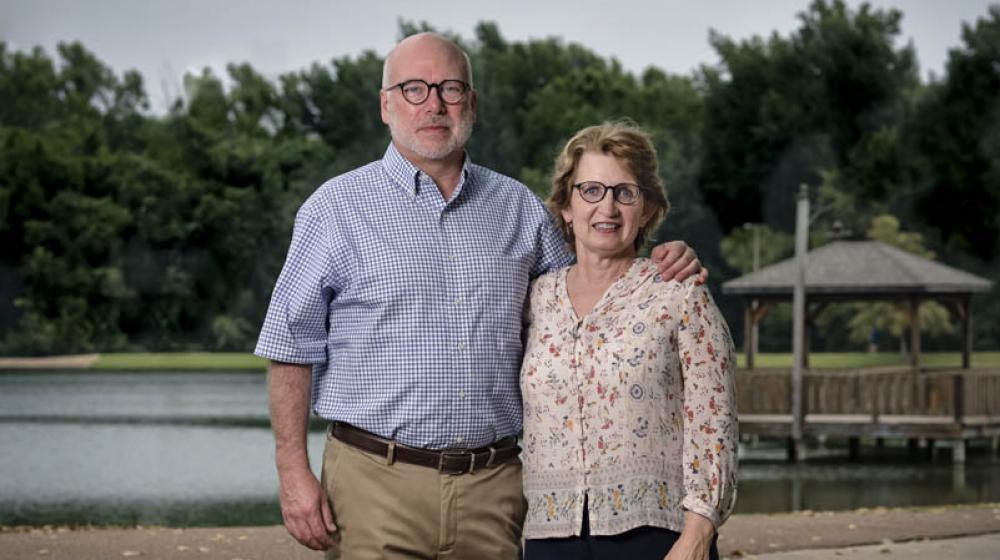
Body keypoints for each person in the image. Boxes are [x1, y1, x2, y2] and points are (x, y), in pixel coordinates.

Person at [255, 33, 704, 559]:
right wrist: (292, 472)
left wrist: (660, 259)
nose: (434, 104)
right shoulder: (334, 209)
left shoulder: (519, 208)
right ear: (385, 104)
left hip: (495, 489)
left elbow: (590, 296)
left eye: (450, 87)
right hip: (373, 484)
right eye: (414, 89)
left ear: (472, 102)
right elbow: (291, 347)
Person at [520, 122, 737, 560]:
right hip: (549, 541)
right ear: (565, 205)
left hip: (658, 540)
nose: (608, 208)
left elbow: (715, 425)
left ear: (649, 209)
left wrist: (697, 537)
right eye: (591, 191)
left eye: (625, 193)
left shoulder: (680, 292)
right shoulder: (534, 299)